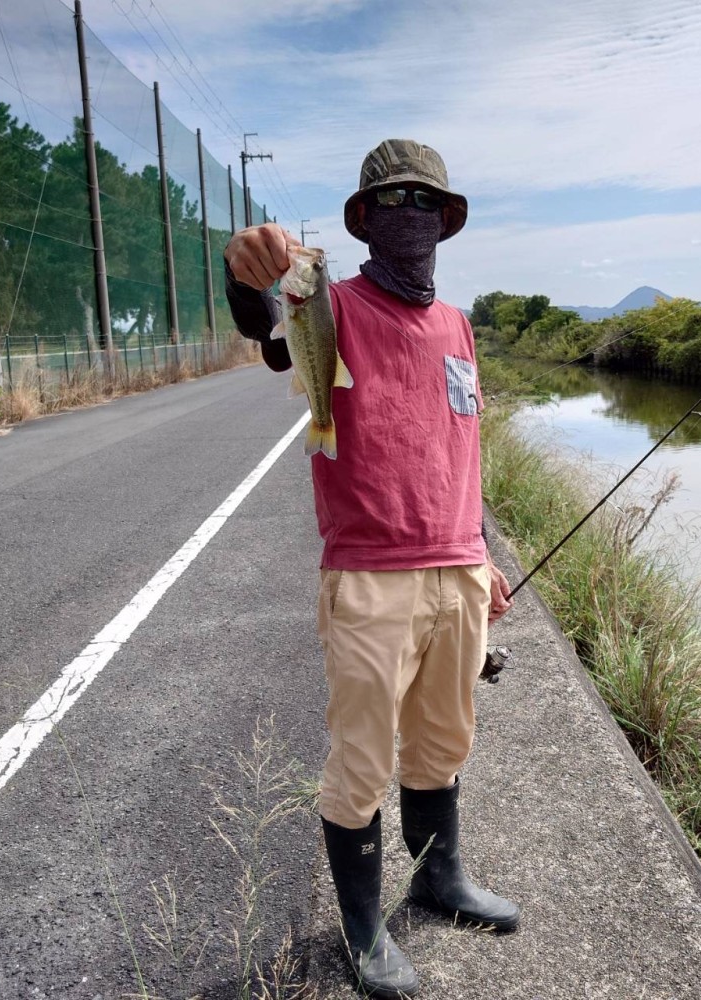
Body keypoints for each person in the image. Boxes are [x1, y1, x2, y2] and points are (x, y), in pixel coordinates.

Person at [224, 139, 519, 999]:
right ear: (363, 221)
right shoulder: (332, 305)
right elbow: (267, 329)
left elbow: (461, 447)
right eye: (392, 204)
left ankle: (439, 876)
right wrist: (249, 277)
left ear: (445, 220)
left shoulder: (459, 324)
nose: (411, 218)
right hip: (369, 575)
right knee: (362, 760)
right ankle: (362, 929)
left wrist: (482, 552)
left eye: (425, 203)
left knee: (442, 741)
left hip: (456, 569)